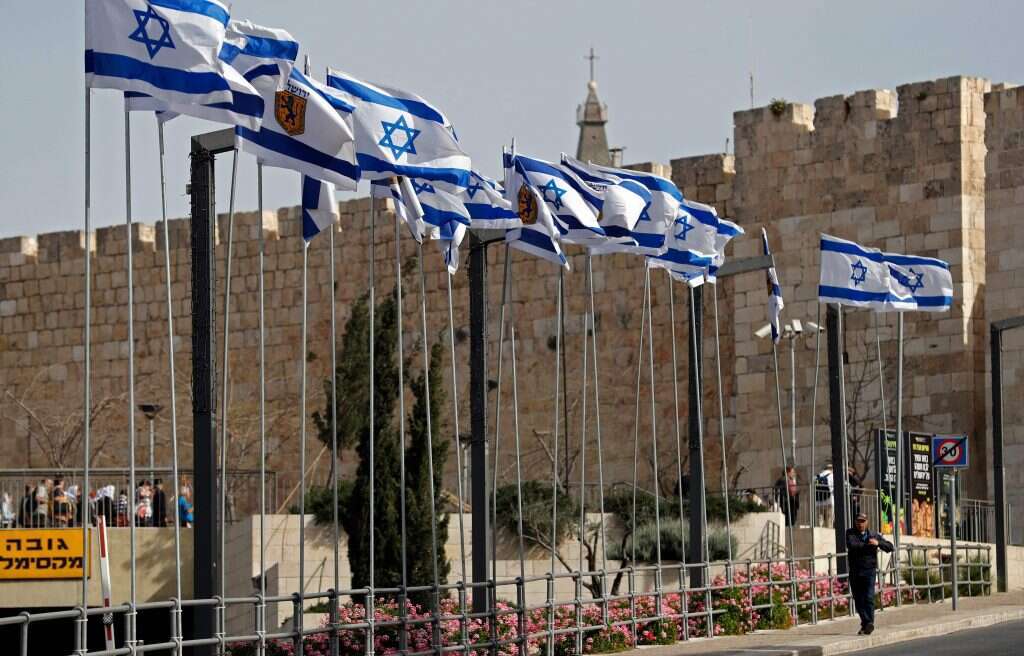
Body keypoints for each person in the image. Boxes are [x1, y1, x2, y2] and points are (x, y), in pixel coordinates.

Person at [846, 512, 893, 635]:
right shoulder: (850, 533)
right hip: (855, 571)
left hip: (869, 571)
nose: (860, 524)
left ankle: (869, 624)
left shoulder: (874, 535)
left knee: (869, 597)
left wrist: (879, 543)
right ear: (855, 522)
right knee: (858, 600)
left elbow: (890, 547)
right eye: (858, 521)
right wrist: (868, 545)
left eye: (863, 521)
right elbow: (853, 545)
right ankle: (866, 623)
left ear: (867, 522)